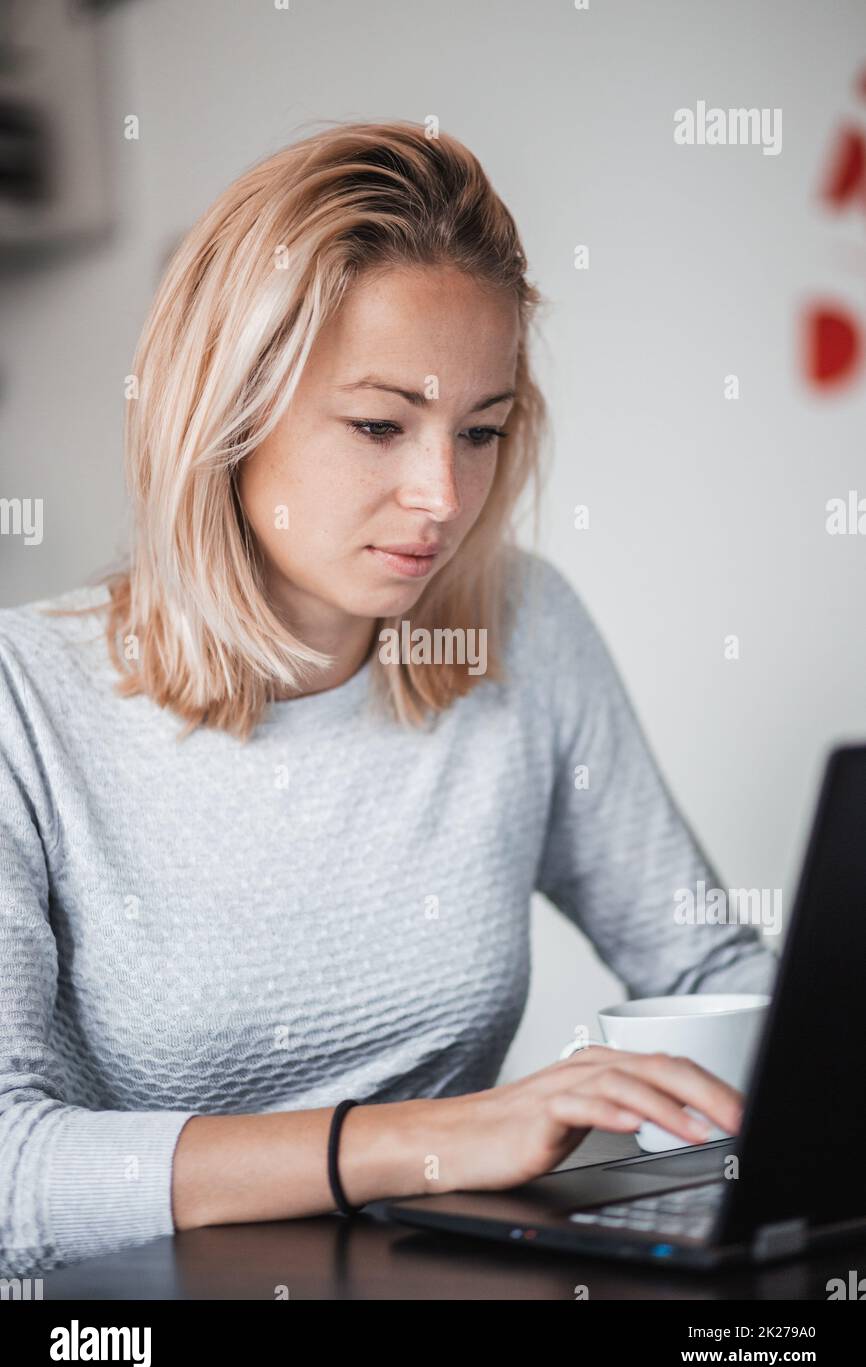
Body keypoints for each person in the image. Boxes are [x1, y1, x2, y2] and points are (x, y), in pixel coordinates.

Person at [0, 120, 776, 1275]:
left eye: (480, 430)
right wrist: (419, 1142)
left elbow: (706, 973)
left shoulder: (521, 628)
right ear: (224, 409)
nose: (441, 494)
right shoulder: (25, 698)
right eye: (378, 425)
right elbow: (14, 1173)